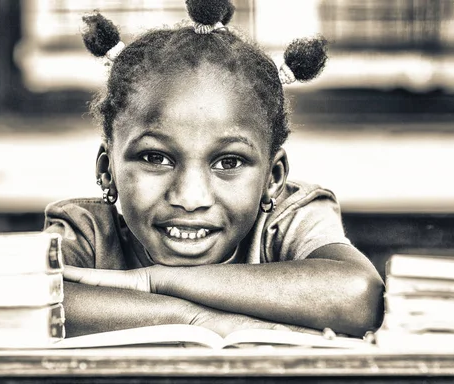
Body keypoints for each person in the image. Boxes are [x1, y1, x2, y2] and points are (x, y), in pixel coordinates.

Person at [44, 0, 384, 338]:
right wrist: (190, 318)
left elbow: (359, 295)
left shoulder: (288, 221)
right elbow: (30, 297)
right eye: (155, 158)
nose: (191, 198)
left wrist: (157, 280)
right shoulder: (88, 233)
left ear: (273, 177)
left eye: (229, 162)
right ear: (107, 171)